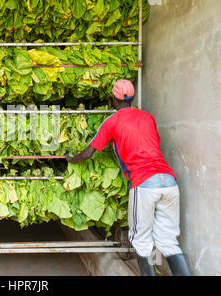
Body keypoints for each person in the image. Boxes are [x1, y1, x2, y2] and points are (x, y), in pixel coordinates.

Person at [65, 79, 191, 276]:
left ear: (113, 100)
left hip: (144, 183)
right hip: (168, 181)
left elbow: (89, 153)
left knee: (140, 239)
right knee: (168, 240)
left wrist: (71, 158)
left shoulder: (112, 121)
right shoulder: (148, 117)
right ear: (132, 98)